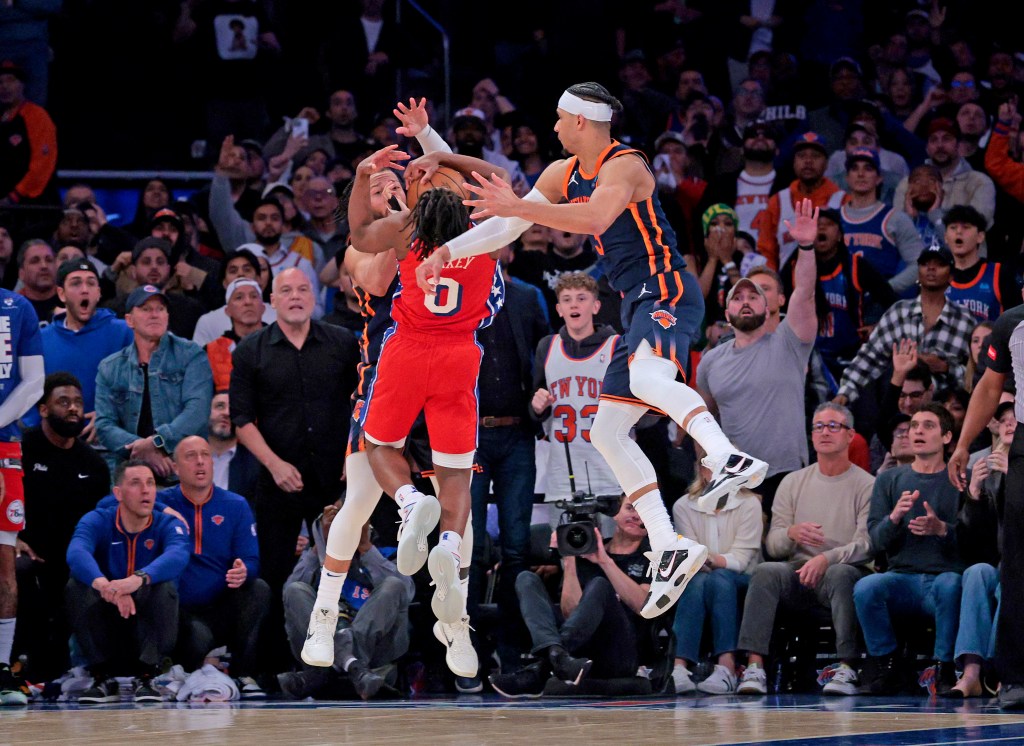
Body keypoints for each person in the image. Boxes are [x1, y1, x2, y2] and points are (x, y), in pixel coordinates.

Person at [414, 82, 776, 619]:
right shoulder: (561, 174)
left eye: (560, 119)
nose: (554, 129)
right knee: (606, 429)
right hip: (635, 302)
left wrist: (518, 206)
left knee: (651, 379)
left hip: (667, 287)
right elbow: (507, 224)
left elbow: (594, 220)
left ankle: (725, 455)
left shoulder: (626, 165)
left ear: (582, 121)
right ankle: (669, 541)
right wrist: (446, 251)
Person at [302, 144, 507, 666]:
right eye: (378, 188)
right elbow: (371, 278)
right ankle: (324, 618)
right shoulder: (382, 240)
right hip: (386, 371)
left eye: (398, 183)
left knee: (458, 497)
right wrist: (402, 215)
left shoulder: (426, 226)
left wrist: (415, 209)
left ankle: (455, 621)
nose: (391, 187)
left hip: (420, 358)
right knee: (358, 504)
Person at [230, 267, 359, 671]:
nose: (296, 296)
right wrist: (274, 464)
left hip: (335, 480)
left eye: (303, 288)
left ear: (314, 297)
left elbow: (364, 402)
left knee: (344, 569)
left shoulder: (342, 342)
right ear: (273, 301)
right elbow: (241, 419)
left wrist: (352, 455)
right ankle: (275, 666)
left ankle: (349, 660)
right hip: (278, 479)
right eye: (286, 290)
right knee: (275, 572)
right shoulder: (251, 350)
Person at [732, 403, 873, 696]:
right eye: (819, 426)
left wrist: (826, 558)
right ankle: (755, 668)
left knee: (841, 575)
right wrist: (792, 534)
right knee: (765, 571)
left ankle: (847, 667)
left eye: (834, 426)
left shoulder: (866, 484)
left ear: (850, 436)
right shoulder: (792, 482)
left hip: (841, 572)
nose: (825, 432)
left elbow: (866, 545)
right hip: (798, 572)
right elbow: (773, 545)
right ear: (811, 436)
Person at [696, 201, 820, 516]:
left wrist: (806, 246)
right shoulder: (711, 361)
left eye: (755, 296)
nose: (746, 301)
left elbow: (804, 292)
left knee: (784, 557)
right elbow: (701, 421)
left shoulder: (789, 343)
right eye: (738, 297)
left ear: (769, 308)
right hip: (734, 477)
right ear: (726, 312)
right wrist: (706, 469)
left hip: (786, 473)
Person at [487, 500, 652, 698]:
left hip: (620, 652)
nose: (635, 515)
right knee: (526, 579)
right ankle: (558, 657)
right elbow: (570, 612)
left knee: (600, 585)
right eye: (630, 507)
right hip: (577, 656)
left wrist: (605, 562)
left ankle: (542, 668)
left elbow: (644, 605)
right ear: (616, 513)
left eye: (643, 511)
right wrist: (569, 560)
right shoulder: (587, 548)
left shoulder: (651, 556)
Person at [856, 404, 964, 696]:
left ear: (946, 437)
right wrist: (893, 519)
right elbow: (876, 541)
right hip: (901, 577)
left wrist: (941, 529)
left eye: (928, 426)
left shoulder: (958, 480)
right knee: (867, 587)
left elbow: (975, 543)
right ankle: (887, 664)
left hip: (943, 575)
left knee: (952, 585)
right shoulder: (889, 480)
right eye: (914, 425)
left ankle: (944, 667)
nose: (917, 431)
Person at [949, 294, 1024, 708]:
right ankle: (1015, 679)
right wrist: (963, 444)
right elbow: (990, 385)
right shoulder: (1011, 323)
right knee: (1016, 564)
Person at [65, 460, 190, 704]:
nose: (146, 490)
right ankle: (101, 677)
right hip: (107, 624)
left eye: (151, 483)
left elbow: (178, 555)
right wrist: (105, 585)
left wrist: (136, 580)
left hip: (148, 629)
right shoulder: (98, 519)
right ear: (118, 494)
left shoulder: (167, 523)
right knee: (76, 586)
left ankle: (148, 675)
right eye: (136, 483)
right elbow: (76, 552)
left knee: (164, 587)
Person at [15, 373, 110, 683]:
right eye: (64, 402)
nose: (73, 409)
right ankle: (17, 665)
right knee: (21, 570)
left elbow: (102, 522)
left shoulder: (93, 463)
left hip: (74, 561)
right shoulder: (21, 450)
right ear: (43, 409)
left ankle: (95, 669)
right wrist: (11, 538)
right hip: (29, 555)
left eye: (79, 403)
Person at [158, 436, 269, 699]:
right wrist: (159, 509)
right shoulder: (161, 502)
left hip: (220, 606)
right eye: (190, 456)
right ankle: (171, 669)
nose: (200, 462)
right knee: (197, 638)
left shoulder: (235, 505)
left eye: (205, 455)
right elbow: (113, 504)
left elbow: (252, 561)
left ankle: (243, 673)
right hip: (181, 612)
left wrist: (244, 570)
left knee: (259, 589)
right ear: (175, 468)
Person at [281, 506, 412, 701]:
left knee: (393, 585)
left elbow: (407, 592)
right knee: (295, 590)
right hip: (320, 653)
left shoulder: (386, 555)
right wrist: (321, 545)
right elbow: (288, 596)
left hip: (375, 654)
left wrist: (366, 548)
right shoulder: (314, 559)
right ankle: (353, 668)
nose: (344, 532)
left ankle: (327, 672)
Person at [94, 283, 214, 478]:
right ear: (129, 320)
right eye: (146, 309)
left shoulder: (191, 354)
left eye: (160, 309)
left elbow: (197, 411)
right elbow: (104, 425)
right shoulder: (110, 367)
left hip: (182, 473)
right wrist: (144, 454)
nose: (154, 314)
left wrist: (157, 442)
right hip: (131, 474)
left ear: (167, 316)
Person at [834, 245, 977, 406]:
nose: (931, 268)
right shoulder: (898, 312)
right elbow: (869, 358)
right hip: (898, 408)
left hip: (944, 409)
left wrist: (946, 368)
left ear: (951, 276)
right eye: (925, 264)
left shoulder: (965, 320)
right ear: (918, 273)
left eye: (939, 264)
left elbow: (977, 375)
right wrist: (845, 393)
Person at [670, 445, 762, 695]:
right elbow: (690, 556)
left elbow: (742, 560)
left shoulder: (750, 504)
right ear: (702, 471)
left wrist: (708, 559)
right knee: (696, 580)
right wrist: (704, 561)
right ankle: (679, 667)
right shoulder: (683, 506)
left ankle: (727, 667)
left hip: (744, 580)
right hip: (702, 577)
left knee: (719, 577)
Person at [532, 273, 621, 517]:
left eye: (581, 298)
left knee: (608, 545)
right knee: (566, 547)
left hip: (610, 469)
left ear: (596, 306)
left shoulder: (616, 346)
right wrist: (537, 406)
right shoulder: (547, 347)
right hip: (563, 468)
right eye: (567, 299)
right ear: (559, 309)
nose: (574, 304)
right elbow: (534, 409)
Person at [0, 284, 42, 705]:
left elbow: (34, 382)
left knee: (3, 565)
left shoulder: (17, 307)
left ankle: (0, 668)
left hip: (3, 444)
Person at [41, 259, 134, 441]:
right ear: (61, 294)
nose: (85, 289)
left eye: (91, 283)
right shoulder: (41, 339)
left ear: (98, 293)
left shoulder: (124, 332)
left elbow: (141, 386)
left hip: (109, 442)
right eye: (76, 283)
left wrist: (108, 416)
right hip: (53, 443)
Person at [838, 147, 925, 296]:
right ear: (847, 177)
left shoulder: (895, 218)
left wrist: (885, 289)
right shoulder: (833, 218)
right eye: (854, 168)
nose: (860, 174)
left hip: (878, 309)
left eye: (868, 168)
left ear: (879, 178)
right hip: (839, 302)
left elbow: (919, 264)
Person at [755, 131, 845, 270]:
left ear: (826, 164)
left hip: (833, 285)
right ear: (794, 162)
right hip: (789, 287)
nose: (808, 161)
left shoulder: (842, 200)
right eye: (801, 156)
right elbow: (766, 252)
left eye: (815, 156)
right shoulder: (777, 202)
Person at [943, 204, 1018, 322]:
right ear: (945, 237)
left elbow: (1015, 321)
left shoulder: (999, 273)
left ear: (980, 236)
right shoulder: (937, 276)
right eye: (953, 227)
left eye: (966, 227)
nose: (958, 232)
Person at [0, 59, 57, 207]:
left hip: (31, 205)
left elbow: (43, 164)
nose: (4, 87)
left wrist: (15, 196)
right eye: (0, 82)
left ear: (22, 85)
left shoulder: (36, 116)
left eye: (10, 80)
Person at [16, 238, 58, 325]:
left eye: (49, 260)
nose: (44, 266)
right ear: (21, 273)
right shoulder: (13, 308)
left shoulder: (70, 303)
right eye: (35, 261)